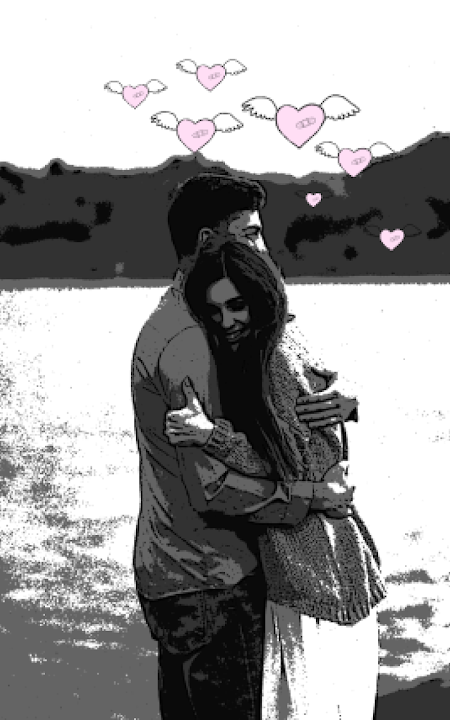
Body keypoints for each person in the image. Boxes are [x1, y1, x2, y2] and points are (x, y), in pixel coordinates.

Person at [131, 172, 359, 720]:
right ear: (209, 239)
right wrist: (315, 496)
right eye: (252, 234)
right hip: (213, 579)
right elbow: (214, 490)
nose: (264, 248)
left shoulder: (190, 319)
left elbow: (288, 397)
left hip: (179, 573)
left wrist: (345, 400)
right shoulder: (192, 343)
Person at [166, 237, 387, 720]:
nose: (226, 322)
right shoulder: (289, 339)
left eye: (236, 306)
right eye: (214, 312)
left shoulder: (275, 362)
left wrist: (209, 435)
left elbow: (284, 464)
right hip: (333, 560)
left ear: (261, 298)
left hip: (311, 569)